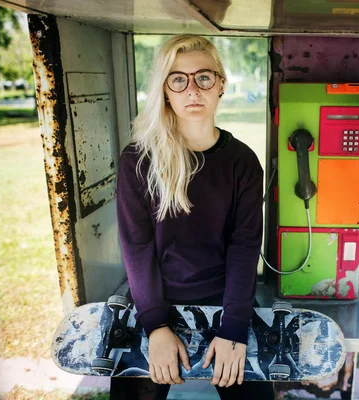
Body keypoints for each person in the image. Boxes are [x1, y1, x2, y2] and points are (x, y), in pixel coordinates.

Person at [115, 34, 273, 400]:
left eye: (204, 77)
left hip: (227, 302)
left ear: (221, 85)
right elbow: (137, 247)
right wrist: (154, 326)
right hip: (158, 302)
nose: (192, 90)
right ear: (165, 90)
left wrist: (234, 327)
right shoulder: (139, 160)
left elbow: (245, 246)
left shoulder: (242, 162)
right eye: (178, 79)